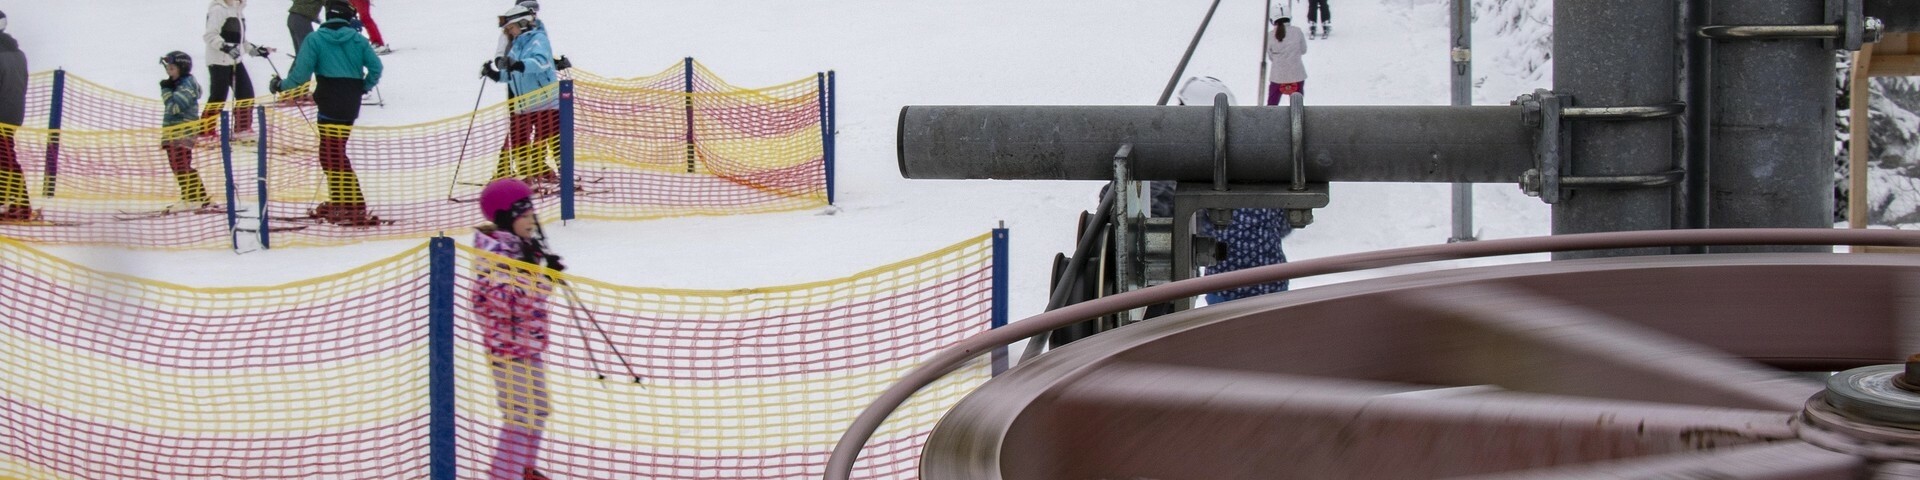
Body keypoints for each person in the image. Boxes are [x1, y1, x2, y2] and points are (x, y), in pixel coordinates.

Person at [473, 178, 562, 480]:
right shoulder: (495, 255)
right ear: (506, 218)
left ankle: (523, 470)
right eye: (524, 215)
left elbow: (528, 295)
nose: (531, 221)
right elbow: (508, 303)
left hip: (527, 344)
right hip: (508, 350)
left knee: (539, 409)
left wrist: (543, 267)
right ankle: (504, 475)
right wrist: (543, 280)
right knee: (520, 416)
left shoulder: (521, 248)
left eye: (532, 214)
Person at [1174, 78, 1293, 304]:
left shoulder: (1193, 168)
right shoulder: (1264, 165)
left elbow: (1192, 225)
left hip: (1223, 285)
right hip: (1270, 281)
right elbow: (1285, 219)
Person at [272, 0, 383, 226]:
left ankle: (352, 205)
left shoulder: (315, 39)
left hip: (329, 101)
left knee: (332, 155)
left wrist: (280, 86)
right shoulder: (358, 40)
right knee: (334, 153)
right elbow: (376, 67)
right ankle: (344, 203)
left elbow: (300, 76)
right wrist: (363, 86)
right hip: (350, 103)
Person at [483, 4, 559, 187]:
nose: (509, 32)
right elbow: (512, 74)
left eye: (511, 27)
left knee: (550, 140)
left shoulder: (538, 39)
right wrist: (493, 74)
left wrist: (519, 64)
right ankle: (525, 177)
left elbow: (541, 63)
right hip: (522, 105)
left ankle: (562, 173)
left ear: (523, 23)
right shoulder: (516, 44)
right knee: (519, 142)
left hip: (544, 103)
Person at [201, 0, 275, 139]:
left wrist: (255, 50)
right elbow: (210, 35)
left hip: (235, 60)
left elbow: (240, 41)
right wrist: (225, 47)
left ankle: (242, 129)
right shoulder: (218, 10)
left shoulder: (238, 11)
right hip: (219, 61)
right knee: (219, 96)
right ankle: (206, 131)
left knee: (246, 93)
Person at [160, 51, 212, 210]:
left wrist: (166, 91)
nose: (169, 72)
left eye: (172, 68)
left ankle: (194, 197)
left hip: (183, 132)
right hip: (174, 132)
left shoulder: (186, 85)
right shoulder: (179, 84)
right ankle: (193, 196)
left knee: (180, 164)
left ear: (182, 68)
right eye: (167, 68)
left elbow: (174, 107)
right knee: (177, 165)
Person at [0, 10, 33, 222]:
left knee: (5, 160)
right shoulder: (18, 54)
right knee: (6, 157)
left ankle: (18, 205)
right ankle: (14, 203)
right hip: (13, 114)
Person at [1265, 16, 1308, 106]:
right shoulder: (1297, 31)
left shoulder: (1270, 35)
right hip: (1297, 75)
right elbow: (1303, 50)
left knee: (1272, 105)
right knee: (1297, 105)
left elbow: (1271, 56)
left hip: (1277, 76)